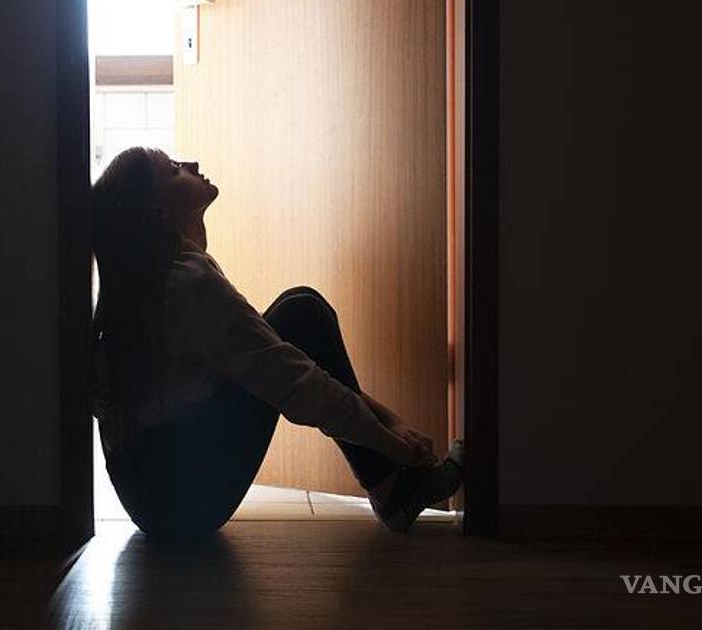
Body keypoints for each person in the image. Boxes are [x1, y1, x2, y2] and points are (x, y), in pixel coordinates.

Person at [89, 146, 464, 539]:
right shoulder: (185, 284)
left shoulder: (154, 284)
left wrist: (390, 422)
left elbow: (278, 359)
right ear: (159, 213)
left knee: (296, 313)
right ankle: (393, 490)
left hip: (151, 499)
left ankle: (391, 489)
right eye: (173, 169)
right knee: (301, 315)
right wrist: (393, 445)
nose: (192, 165)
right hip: (183, 505)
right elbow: (295, 382)